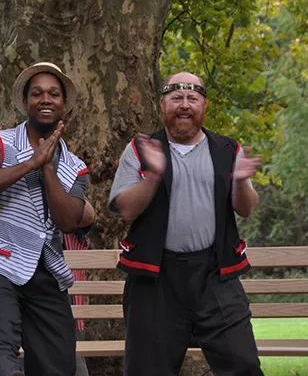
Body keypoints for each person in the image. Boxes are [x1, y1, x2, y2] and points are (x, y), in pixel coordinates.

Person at [109, 72, 263, 376]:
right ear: (163, 104)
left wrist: (242, 181)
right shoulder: (141, 149)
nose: (184, 105)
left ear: (203, 106)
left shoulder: (227, 150)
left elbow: (245, 209)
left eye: (192, 98)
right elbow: (125, 210)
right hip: (155, 279)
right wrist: (153, 175)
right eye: (176, 98)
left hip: (215, 275)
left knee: (243, 364)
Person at [0, 62, 93, 376]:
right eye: (37, 94)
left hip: (42, 269)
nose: (45, 99)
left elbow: (69, 221)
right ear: (25, 102)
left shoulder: (75, 167)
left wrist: (47, 167)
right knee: (0, 344)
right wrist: (31, 163)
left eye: (53, 94)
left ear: (63, 105)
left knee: (59, 362)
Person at [0, 153, 93, 376]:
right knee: (5, 353)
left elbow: (85, 216)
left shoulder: (66, 178)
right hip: (8, 294)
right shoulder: (4, 190)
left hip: (54, 305)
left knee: (64, 364)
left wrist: (48, 177)